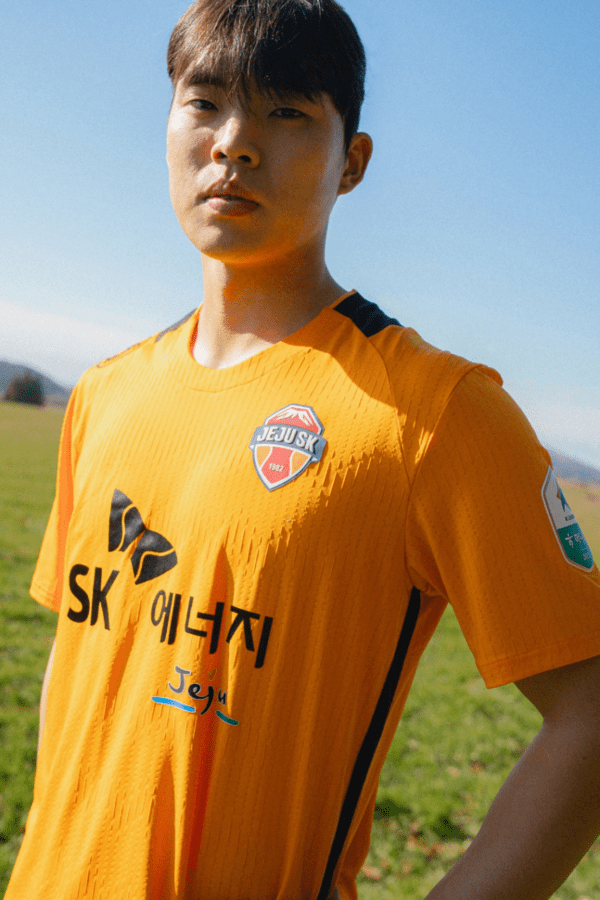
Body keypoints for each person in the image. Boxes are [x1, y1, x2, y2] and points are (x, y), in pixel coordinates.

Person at [6, 1, 600, 898]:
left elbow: (590, 714)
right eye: (204, 102)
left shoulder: (435, 413)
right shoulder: (103, 392)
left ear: (352, 162)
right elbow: (77, 655)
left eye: (285, 111)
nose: (234, 144)